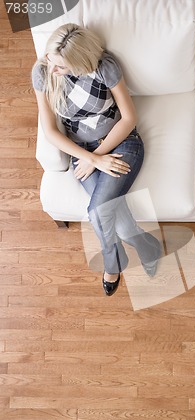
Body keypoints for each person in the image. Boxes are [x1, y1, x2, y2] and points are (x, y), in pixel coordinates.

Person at [32, 23, 161, 296]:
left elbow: (129, 118)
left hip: (122, 142)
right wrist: (90, 157)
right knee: (110, 214)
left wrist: (98, 157)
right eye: (51, 61)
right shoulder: (43, 71)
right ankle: (145, 245)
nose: (53, 70)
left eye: (62, 67)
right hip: (83, 152)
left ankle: (113, 264)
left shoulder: (104, 67)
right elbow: (51, 132)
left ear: (80, 62)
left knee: (97, 211)